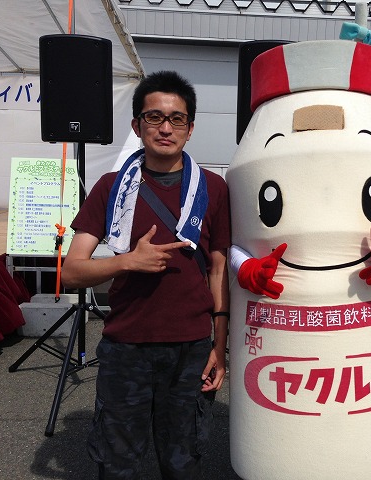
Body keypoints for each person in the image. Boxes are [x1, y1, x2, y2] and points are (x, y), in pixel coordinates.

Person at [61, 70, 230, 479]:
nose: (165, 128)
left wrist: (219, 346)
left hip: (191, 348)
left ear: (190, 128)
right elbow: (71, 272)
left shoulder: (213, 188)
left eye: (176, 119)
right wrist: (126, 262)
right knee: (118, 464)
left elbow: (218, 269)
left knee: (183, 461)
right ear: (138, 125)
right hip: (127, 347)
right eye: (154, 117)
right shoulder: (111, 187)